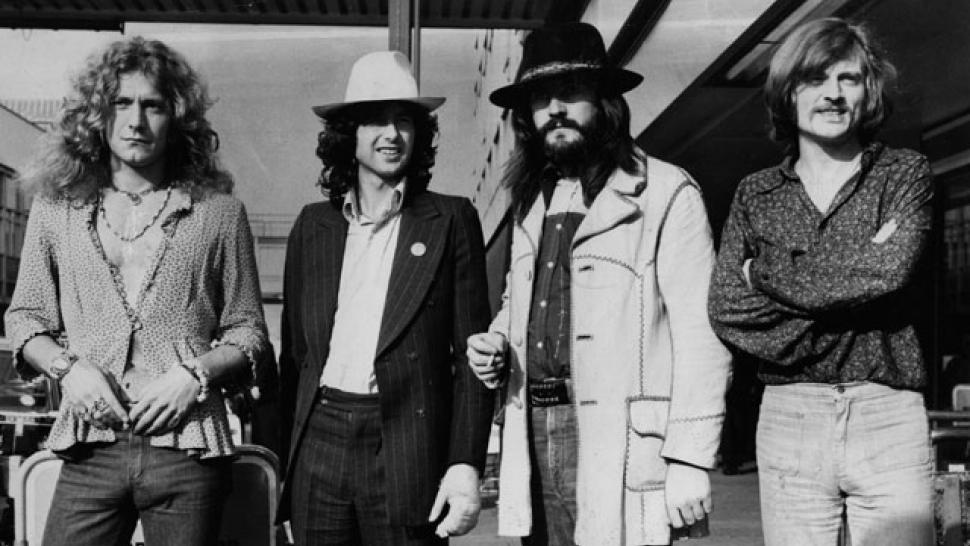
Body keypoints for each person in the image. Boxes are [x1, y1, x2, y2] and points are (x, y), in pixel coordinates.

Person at [466, 22, 732, 546]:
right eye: (540, 98)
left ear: (605, 101)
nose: (554, 109)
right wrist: (496, 340)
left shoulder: (665, 192)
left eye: (570, 92)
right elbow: (518, 303)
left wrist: (690, 458)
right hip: (532, 426)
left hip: (619, 437)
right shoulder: (531, 201)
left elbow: (703, 336)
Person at [4, 37, 269, 546]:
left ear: (178, 117)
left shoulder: (219, 213)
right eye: (121, 103)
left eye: (153, 105)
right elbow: (24, 318)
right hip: (90, 444)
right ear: (96, 115)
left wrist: (193, 376)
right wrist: (69, 369)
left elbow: (249, 331)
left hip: (188, 446)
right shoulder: (56, 210)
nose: (136, 122)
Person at [708, 17, 935, 545]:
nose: (832, 94)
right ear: (787, 94)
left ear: (868, 91)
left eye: (847, 79)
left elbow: (888, 271)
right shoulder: (756, 194)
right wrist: (852, 292)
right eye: (814, 79)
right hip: (790, 415)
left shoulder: (903, 174)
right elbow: (727, 310)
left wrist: (763, 274)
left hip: (887, 413)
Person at [277, 50, 494, 545]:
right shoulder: (312, 226)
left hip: (405, 447)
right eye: (376, 120)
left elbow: (471, 359)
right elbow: (294, 358)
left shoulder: (451, 219)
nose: (392, 134)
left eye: (404, 121)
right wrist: (283, 468)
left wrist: (464, 463)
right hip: (319, 442)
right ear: (348, 135)